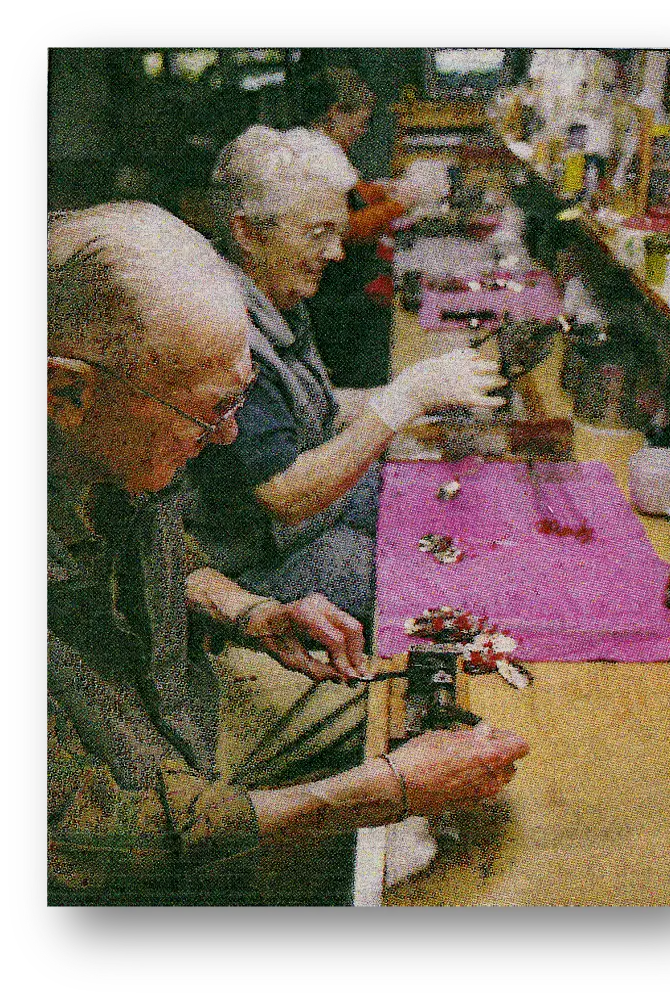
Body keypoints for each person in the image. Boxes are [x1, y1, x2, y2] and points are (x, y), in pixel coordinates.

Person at [45, 201, 529, 906]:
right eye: (211, 411)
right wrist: (380, 791)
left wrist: (246, 609)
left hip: (180, 717)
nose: (230, 437)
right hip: (119, 832)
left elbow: (154, 546)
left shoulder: (107, 446)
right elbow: (84, 838)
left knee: (386, 700)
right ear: (67, 391)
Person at [188, 125, 506, 630]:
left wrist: (420, 395)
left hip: (308, 518)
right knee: (449, 587)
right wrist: (401, 401)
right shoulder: (219, 330)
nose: (337, 252)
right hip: (255, 556)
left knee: (454, 508)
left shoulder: (274, 289)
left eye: (337, 231)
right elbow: (283, 495)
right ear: (247, 232)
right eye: (318, 234)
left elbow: (308, 407)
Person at [287, 67, 425, 388]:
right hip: (339, 295)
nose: (361, 132)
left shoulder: (308, 143)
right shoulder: (321, 154)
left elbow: (348, 193)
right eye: (359, 123)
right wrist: (402, 202)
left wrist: (382, 189)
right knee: (359, 382)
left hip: (336, 289)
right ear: (335, 113)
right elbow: (348, 227)